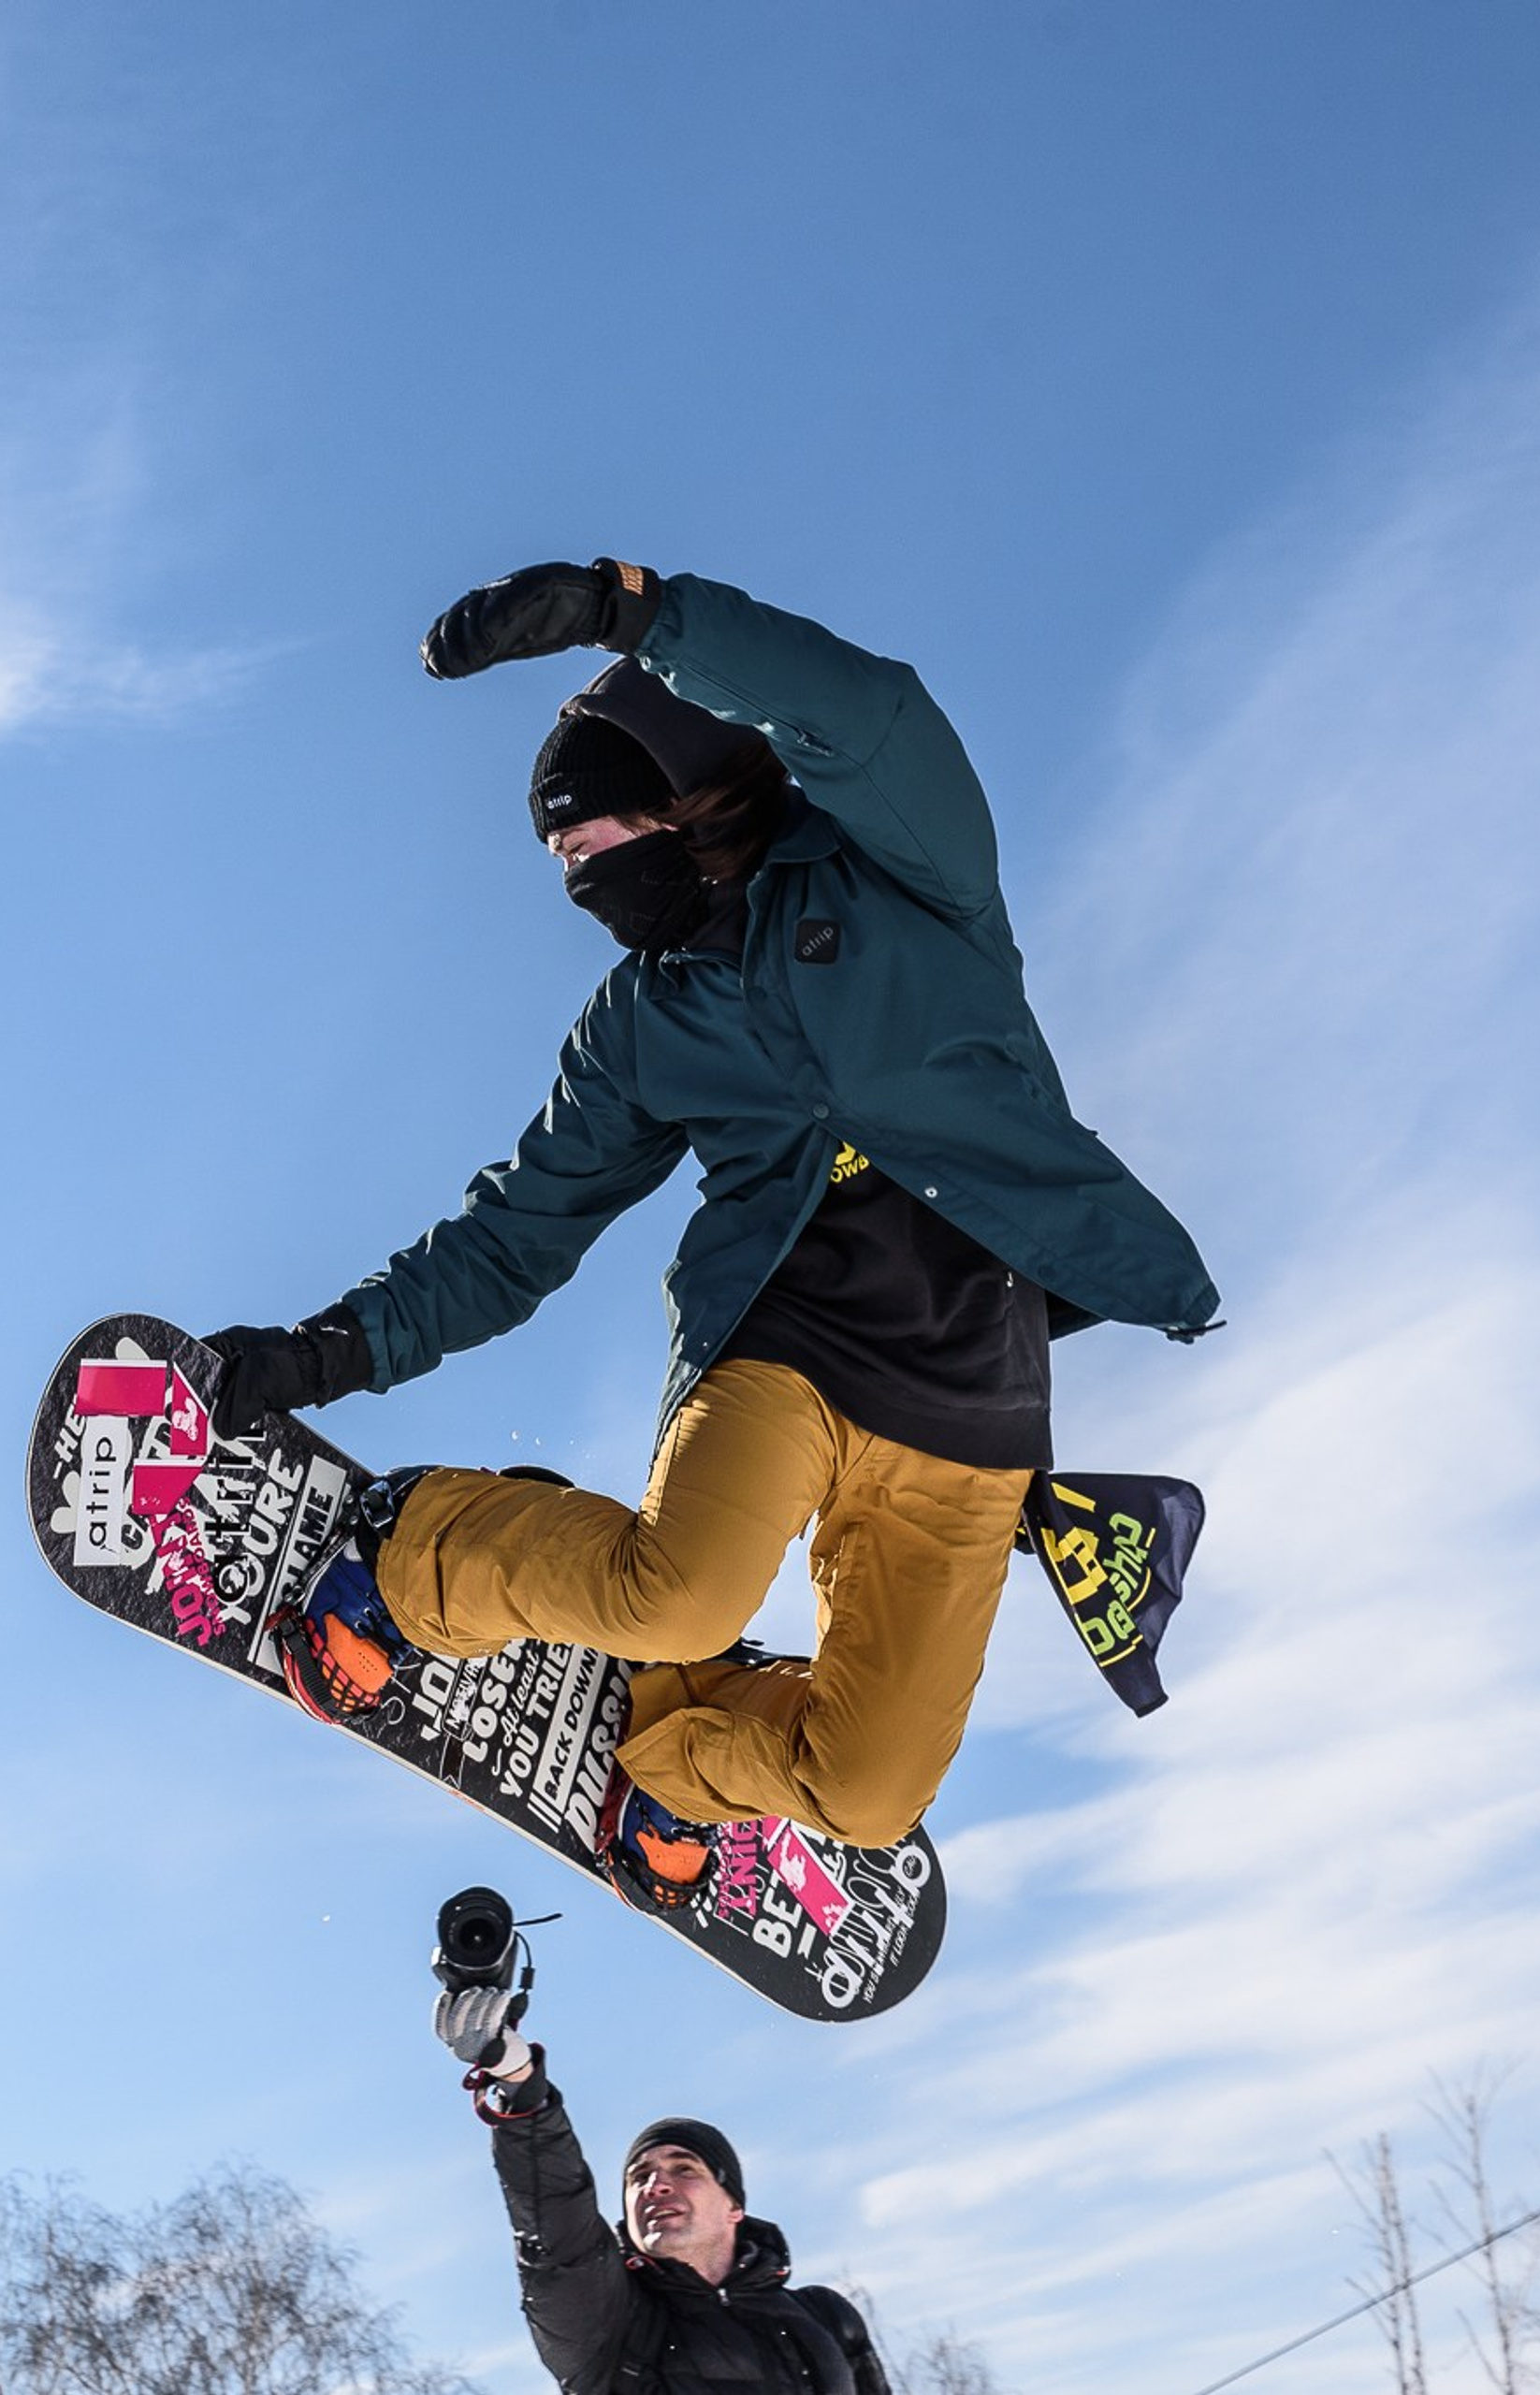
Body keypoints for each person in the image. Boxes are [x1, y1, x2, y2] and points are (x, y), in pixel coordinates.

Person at [209, 559, 1218, 1906]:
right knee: (678, 1592)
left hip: (976, 1399)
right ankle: (417, 1561)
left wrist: (630, 611)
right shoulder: (641, 1023)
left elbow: (871, 715)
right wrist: (330, 1351)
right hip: (787, 1344)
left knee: (870, 1793)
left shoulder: (910, 883)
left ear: (679, 801)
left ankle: (675, 1759)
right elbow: (520, 1233)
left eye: (583, 846)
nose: (576, 886)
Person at [432, 1968, 893, 2395]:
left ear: (735, 2207)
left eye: (685, 2169)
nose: (655, 2185)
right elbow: (557, 2225)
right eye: (639, 2177)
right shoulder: (612, 2321)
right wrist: (519, 2082)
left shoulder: (825, 2317)